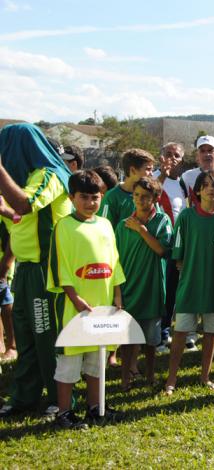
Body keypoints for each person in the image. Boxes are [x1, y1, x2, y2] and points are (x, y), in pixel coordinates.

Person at [0, 123, 73, 419]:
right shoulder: (18, 179)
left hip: (48, 271)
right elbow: (15, 217)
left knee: (46, 336)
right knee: (27, 337)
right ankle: (24, 398)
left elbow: (24, 205)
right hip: (26, 270)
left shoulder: (48, 175)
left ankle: (61, 399)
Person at [47, 170, 125, 429]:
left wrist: (116, 295)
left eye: (95, 197)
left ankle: (95, 407)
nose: (91, 203)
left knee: (96, 359)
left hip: (101, 306)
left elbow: (113, 262)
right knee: (70, 360)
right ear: (71, 197)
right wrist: (75, 297)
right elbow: (62, 267)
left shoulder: (105, 225)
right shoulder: (64, 226)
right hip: (74, 307)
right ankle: (64, 413)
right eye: (84, 197)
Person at [164, 170, 214, 395]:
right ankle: (171, 379)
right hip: (191, 286)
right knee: (181, 332)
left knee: (211, 334)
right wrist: (184, 265)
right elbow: (178, 254)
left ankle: (204, 376)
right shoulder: (186, 217)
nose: (210, 189)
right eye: (205, 185)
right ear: (197, 190)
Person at [115, 177, 173, 390]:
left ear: (155, 199)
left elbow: (162, 250)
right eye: (136, 195)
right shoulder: (123, 225)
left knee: (151, 340)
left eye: (145, 197)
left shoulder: (162, 221)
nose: (140, 200)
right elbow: (116, 259)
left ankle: (150, 374)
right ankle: (125, 378)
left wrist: (141, 230)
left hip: (152, 289)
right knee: (127, 340)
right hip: (129, 288)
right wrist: (117, 291)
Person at [153, 142, 186, 352]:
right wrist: (162, 175)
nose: (172, 158)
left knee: (172, 293)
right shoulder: (155, 177)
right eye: (168, 154)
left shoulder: (182, 183)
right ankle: (156, 337)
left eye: (176, 156)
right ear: (160, 155)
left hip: (176, 248)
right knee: (160, 293)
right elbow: (149, 194)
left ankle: (164, 333)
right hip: (157, 246)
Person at [100, 148, 156, 228]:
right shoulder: (112, 197)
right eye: (148, 169)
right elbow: (104, 229)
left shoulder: (150, 195)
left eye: (152, 170)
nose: (152, 174)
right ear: (133, 170)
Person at [0, 218, 16, 363]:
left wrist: (5, 264)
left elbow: (14, 233)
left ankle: (12, 346)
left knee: (6, 304)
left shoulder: (4, 203)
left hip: (3, 266)